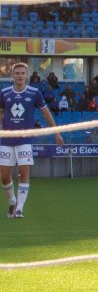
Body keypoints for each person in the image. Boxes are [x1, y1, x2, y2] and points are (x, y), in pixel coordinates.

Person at [1, 62, 64, 218]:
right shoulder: (4, 93)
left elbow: (46, 113)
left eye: (23, 73)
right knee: (4, 176)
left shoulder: (34, 93)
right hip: (7, 139)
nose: (20, 76)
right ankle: (12, 201)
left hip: (25, 140)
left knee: (23, 173)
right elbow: (1, 113)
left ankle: (20, 208)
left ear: (27, 75)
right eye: (17, 73)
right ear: (12, 76)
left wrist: (56, 132)